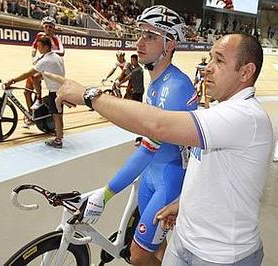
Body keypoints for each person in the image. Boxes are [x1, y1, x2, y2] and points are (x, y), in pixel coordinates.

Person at [47, 32, 272, 265]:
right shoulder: (218, 111)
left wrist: (89, 96)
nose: (207, 68)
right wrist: (184, 202)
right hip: (185, 241)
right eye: (210, 58)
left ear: (246, 72)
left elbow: (157, 125)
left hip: (222, 257)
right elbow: (214, 174)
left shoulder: (246, 117)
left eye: (219, 60)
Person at [49, 6, 199, 265]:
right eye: (140, 34)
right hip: (153, 175)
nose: (139, 43)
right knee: (155, 246)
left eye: (150, 36)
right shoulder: (155, 80)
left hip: (168, 179)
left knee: (139, 256)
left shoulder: (175, 87)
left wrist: (106, 193)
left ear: (170, 45)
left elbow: (148, 149)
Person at [4, 36, 65, 148]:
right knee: (59, 114)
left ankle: (58, 140)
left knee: (57, 116)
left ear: (46, 47)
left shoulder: (45, 60)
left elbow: (27, 74)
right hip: (62, 88)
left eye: (39, 46)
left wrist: (12, 80)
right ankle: (39, 98)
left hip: (55, 92)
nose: (38, 48)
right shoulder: (57, 57)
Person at [23, 16, 64, 127]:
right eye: (46, 26)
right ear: (43, 27)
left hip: (50, 66)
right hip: (40, 64)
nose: (48, 28)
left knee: (35, 77)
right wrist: (33, 56)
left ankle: (39, 98)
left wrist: (49, 51)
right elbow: (34, 47)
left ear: (54, 28)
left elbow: (62, 51)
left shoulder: (56, 38)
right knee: (26, 92)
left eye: (50, 27)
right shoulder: (40, 36)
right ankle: (31, 115)